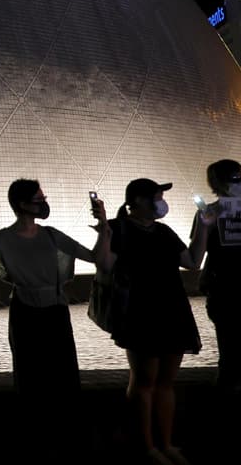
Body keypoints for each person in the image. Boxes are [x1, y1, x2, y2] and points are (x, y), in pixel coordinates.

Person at [99, 177, 212, 464]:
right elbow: (106, 265)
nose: (162, 203)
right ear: (138, 200)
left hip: (172, 309)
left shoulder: (163, 231)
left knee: (166, 382)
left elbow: (192, 261)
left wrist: (204, 227)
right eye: (158, 197)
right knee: (144, 381)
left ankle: (166, 443)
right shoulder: (119, 228)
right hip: (140, 312)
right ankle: (147, 446)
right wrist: (104, 233)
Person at [0, 179, 109, 394]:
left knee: (63, 372)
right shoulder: (4, 237)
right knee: (29, 373)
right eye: (38, 199)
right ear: (22, 204)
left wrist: (104, 228)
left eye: (43, 198)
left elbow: (95, 257)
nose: (44, 203)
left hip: (55, 309)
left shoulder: (51, 234)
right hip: (25, 311)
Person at [194, 159, 240, 397]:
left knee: (229, 346)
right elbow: (198, 254)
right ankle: (228, 389)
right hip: (223, 287)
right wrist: (206, 225)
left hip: (221, 286)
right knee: (229, 346)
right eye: (234, 178)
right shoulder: (208, 213)